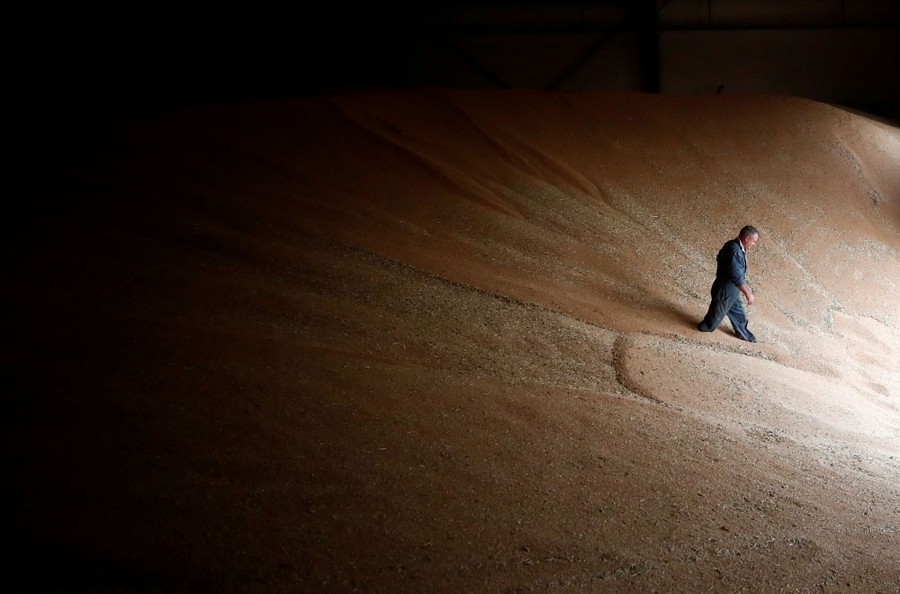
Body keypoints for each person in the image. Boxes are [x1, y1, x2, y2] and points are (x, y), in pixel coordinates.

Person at [697, 225, 759, 342]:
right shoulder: (734, 250)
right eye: (754, 241)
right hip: (724, 291)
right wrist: (748, 294)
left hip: (732, 290)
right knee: (712, 320)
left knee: (739, 315)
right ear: (746, 238)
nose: (754, 244)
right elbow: (736, 276)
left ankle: (746, 337)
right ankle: (700, 331)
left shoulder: (734, 246)